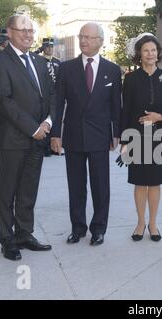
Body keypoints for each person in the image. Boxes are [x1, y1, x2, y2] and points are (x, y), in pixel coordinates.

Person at [0, 14, 55, 261]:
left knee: (28, 190)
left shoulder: (39, 61)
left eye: (31, 30)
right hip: (12, 140)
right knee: (8, 192)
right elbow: (4, 101)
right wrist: (32, 127)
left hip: (38, 139)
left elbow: (50, 95)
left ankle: (24, 233)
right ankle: (7, 240)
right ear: (10, 32)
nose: (28, 34)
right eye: (22, 29)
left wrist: (47, 122)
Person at [51, 22, 122, 247]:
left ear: (100, 41)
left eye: (89, 37)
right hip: (73, 135)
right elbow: (57, 102)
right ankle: (77, 228)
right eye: (81, 37)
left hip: (100, 136)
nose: (84, 41)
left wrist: (117, 133)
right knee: (76, 185)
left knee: (101, 186)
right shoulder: (66, 68)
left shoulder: (112, 70)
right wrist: (55, 134)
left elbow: (115, 106)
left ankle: (99, 229)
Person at [120, 34, 162, 242]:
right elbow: (125, 111)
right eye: (146, 50)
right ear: (139, 54)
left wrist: (161, 116)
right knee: (139, 183)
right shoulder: (130, 79)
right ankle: (140, 222)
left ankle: (153, 223)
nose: (150, 54)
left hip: (161, 137)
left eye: (153, 50)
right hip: (137, 136)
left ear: (158, 54)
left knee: (155, 183)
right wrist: (124, 142)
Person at [36, 38, 61, 157]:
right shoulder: (38, 60)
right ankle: (44, 147)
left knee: (55, 119)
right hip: (44, 94)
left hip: (56, 94)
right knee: (45, 119)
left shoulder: (58, 62)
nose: (50, 49)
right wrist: (38, 50)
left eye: (51, 46)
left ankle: (54, 146)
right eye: (47, 46)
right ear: (43, 47)